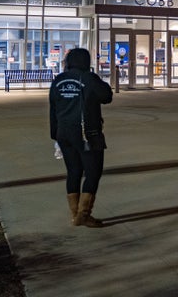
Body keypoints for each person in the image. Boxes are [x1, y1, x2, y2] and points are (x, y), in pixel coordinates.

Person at [49, 48, 113, 227]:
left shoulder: (58, 80)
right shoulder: (88, 78)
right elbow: (107, 96)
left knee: (74, 172)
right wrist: (95, 78)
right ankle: (83, 214)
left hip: (64, 133)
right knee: (93, 173)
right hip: (87, 134)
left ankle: (75, 213)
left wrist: (55, 135)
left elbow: (53, 109)